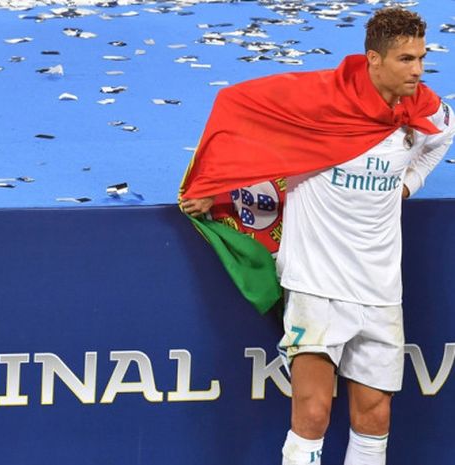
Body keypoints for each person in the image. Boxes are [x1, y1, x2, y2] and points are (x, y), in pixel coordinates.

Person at [180, 7, 455, 465]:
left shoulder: (420, 110)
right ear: (373, 58)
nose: (418, 71)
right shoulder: (318, 105)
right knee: (312, 413)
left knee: (375, 415)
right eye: (406, 59)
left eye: (421, 57)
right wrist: (211, 186)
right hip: (316, 283)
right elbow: (238, 108)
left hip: (381, 288)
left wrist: (410, 183)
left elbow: (443, 134)